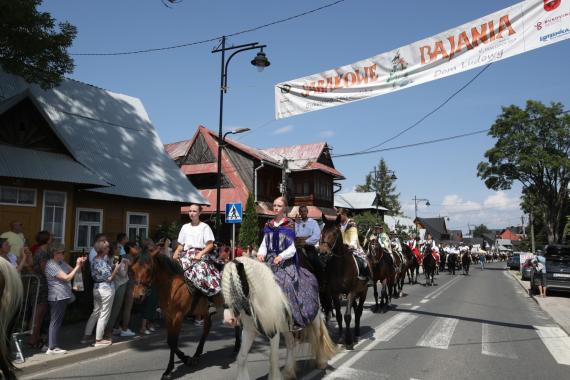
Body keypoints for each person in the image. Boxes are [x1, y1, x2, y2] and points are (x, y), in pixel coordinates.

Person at [257, 196, 319, 331]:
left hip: (286, 261)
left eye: (279, 206)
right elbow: (264, 244)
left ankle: (294, 318)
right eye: (274, 205)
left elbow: (292, 248)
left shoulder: (289, 224)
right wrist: (261, 254)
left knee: (288, 284)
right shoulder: (268, 225)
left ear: (284, 208)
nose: (275, 208)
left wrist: (281, 256)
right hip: (270, 259)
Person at [173, 204, 221, 315]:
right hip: (186, 255)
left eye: (194, 211)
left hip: (200, 254)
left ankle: (209, 303)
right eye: (190, 211)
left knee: (200, 273)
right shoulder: (185, 227)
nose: (191, 213)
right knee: (173, 271)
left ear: (199, 213)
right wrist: (176, 252)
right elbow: (181, 245)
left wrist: (200, 254)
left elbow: (210, 245)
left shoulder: (204, 227)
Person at [44, 243, 85, 354]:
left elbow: (74, 271)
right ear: (54, 254)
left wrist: (80, 264)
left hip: (63, 295)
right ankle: (52, 347)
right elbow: (67, 278)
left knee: (55, 321)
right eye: (61, 252)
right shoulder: (51, 265)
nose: (63, 254)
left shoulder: (61, 263)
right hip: (57, 296)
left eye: (63, 252)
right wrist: (77, 266)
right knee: (55, 321)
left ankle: (48, 344)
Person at [82, 239, 120, 346]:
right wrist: (116, 269)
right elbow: (109, 278)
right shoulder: (102, 261)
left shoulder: (95, 259)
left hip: (96, 288)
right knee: (104, 314)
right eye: (107, 247)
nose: (109, 249)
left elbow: (103, 272)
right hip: (106, 289)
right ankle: (99, 339)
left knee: (96, 312)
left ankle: (86, 336)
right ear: (103, 250)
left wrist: (112, 267)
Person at [29, 230, 52, 349]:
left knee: (40, 313)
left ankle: (35, 338)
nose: (52, 239)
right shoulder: (42, 252)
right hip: (41, 285)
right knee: (39, 312)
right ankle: (33, 339)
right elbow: (45, 269)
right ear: (47, 239)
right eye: (50, 237)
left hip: (41, 284)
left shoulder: (43, 251)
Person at [105, 242, 132, 339]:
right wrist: (127, 265)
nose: (120, 249)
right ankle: (108, 331)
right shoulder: (117, 258)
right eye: (118, 247)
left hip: (115, 285)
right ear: (115, 250)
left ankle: (112, 328)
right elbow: (123, 274)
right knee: (116, 308)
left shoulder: (110, 258)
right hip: (120, 285)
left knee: (115, 308)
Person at [337, 208, 369, 278]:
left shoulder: (351, 223)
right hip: (340, 248)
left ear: (344, 214)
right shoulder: (338, 224)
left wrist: (351, 245)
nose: (338, 217)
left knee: (364, 262)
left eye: (339, 215)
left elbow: (353, 236)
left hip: (352, 247)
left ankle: (365, 277)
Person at [294, 205, 322, 272]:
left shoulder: (313, 222)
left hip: (308, 247)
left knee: (316, 263)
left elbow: (316, 235)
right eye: (301, 211)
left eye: (304, 211)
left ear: (307, 212)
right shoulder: (298, 222)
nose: (303, 213)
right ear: (299, 213)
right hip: (298, 247)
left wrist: (306, 241)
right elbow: (296, 235)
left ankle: (320, 278)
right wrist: (296, 224)